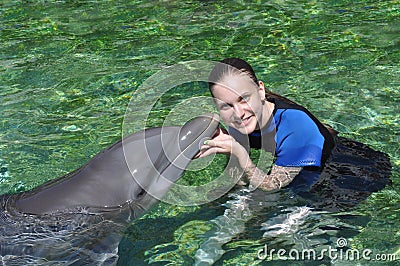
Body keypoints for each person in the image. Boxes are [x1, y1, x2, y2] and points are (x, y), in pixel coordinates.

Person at [197, 58, 338, 191]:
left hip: (339, 177)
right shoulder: (239, 122)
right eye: (226, 106)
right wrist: (229, 148)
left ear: (260, 91)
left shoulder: (295, 123)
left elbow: (273, 186)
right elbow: (240, 181)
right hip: (300, 178)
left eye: (244, 99)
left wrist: (240, 154)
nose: (239, 113)